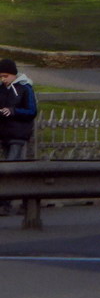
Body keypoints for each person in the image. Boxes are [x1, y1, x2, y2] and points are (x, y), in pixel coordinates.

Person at [0, 57, 37, 216]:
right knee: (12, 169)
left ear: (14, 75)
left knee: (11, 169)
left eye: (6, 76)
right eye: (1, 76)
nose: (3, 79)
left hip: (18, 134)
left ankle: (6, 204)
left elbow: (32, 111)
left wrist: (13, 111)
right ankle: (24, 201)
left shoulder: (25, 88)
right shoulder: (2, 88)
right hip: (5, 134)